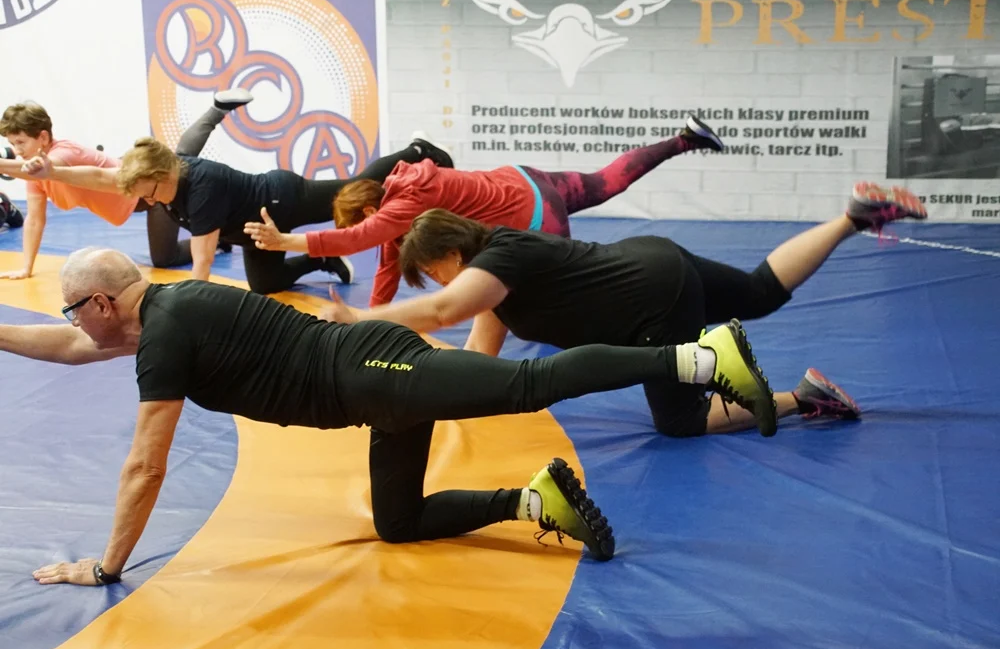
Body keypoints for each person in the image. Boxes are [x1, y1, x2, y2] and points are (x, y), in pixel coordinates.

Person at [1, 247, 775, 584]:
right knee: (398, 520)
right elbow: (72, 347)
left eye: (73, 309)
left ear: (101, 301)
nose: (73, 323)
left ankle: (695, 359)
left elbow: (146, 463)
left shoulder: (164, 336)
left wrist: (106, 564)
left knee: (526, 382)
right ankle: (534, 501)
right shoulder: (166, 308)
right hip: (368, 384)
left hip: (375, 373)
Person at [317, 181, 929, 438]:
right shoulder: (500, 276)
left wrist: (361, 321)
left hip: (651, 301)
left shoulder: (498, 261)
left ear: (451, 255)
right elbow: (479, 359)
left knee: (681, 423)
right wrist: (412, 391)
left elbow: (442, 311)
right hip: (653, 262)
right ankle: (851, 219)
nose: (435, 282)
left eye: (432, 272)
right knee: (757, 292)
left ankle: (804, 396)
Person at [244, 116, 725, 306]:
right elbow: (387, 266)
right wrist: (371, 324)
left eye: (365, 221)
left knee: (559, 287)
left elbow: (355, 240)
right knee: (604, 182)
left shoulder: (404, 204)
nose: (369, 231)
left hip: (535, 218)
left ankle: (640, 295)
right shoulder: (399, 196)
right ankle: (684, 139)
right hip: (525, 180)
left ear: (371, 207)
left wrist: (287, 241)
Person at [23, 134, 455, 294]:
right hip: (253, 228)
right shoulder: (159, 174)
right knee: (265, 284)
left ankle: (416, 150)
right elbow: (102, 178)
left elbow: (202, 265)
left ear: (160, 177)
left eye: (147, 194)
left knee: (355, 190)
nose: (146, 202)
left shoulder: (201, 190)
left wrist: (187, 312)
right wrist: (53, 171)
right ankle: (322, 260)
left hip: (282, 199)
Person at [0, 90, 251, 276]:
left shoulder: (61, 154)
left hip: (150, 194)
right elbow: (35, 219)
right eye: (12, 144)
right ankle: (216, 110)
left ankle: (220, 239)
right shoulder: (35, 170)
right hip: (134, 182)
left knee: (165, 257)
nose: (17, 150)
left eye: (20, 142)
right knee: (181, 158)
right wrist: (26, 267)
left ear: (43, 137)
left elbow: (50, 169)